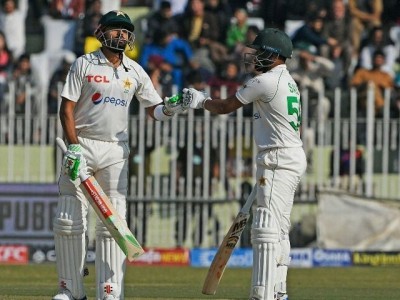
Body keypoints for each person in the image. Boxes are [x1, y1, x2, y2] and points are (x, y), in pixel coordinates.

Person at [52, 10, 184, 300]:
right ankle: (70, 289)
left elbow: (155, 110)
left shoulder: (135, 71)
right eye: (115, 30)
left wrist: (173, 107)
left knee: (113, 222)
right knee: (69, 218)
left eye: (125, 31)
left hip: (115, 151)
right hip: (81, 144)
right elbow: (67, 109)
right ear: (101, 33)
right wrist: (73, 147)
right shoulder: (83, 64)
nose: (121, 35)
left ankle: (109, 291)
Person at [180, 28, 307, 300]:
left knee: (265, 227)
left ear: (273, 55)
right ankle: (279, 291)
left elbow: (226, 106)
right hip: (291, 155)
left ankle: (262, 295)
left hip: (277, 157)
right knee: (280, 228)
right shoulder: (290, 81)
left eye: (261, 52)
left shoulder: (265, 81)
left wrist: (199, 101)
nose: (255, 57)